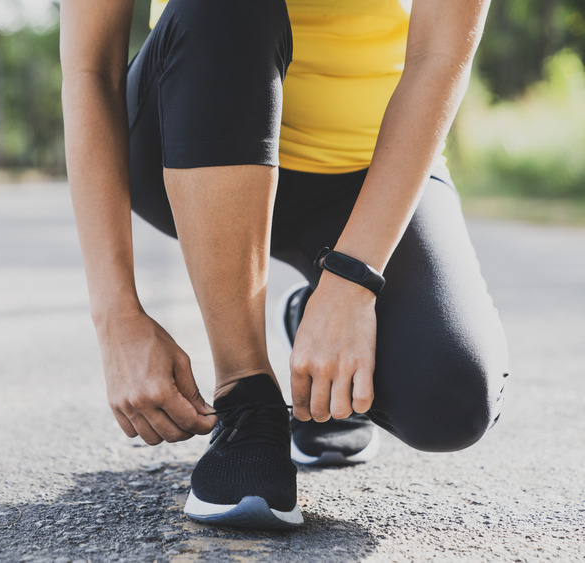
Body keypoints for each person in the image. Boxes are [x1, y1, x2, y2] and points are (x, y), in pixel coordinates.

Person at [59, 0, 509, 529]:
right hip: (189, 133)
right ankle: (246, 397)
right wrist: (116, 316)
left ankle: (315, 330)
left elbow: (439, 54)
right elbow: (91, 69)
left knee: (449, 400)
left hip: (368, 170)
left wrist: (351, 286)